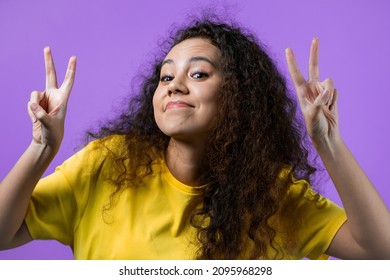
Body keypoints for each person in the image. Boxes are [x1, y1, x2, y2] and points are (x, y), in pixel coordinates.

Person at [0, 17, 389, 260]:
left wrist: (329, 143)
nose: (174, 87)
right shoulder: (108, 164)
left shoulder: (275, 195)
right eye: (166, 77)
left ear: (239, 96)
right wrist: (41, 149)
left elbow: (380, 252)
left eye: (198, 74)